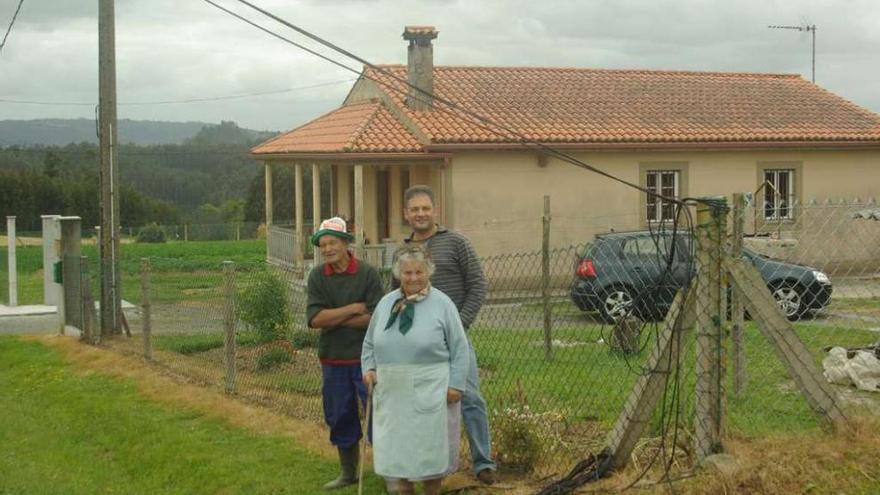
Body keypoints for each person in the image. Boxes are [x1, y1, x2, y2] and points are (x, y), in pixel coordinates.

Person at [397, 185, 498, 485]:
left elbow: (478, 286)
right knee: (423, 403)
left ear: (435, 211)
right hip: (418, 345)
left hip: (456, 341)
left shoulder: (456, 243)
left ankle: (483, 463)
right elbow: (397, 295)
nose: (420, 214)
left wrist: (460, 326)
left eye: (425, 208)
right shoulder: (402, 252)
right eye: (414, 209)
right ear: (406, 214)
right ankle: (427, 460)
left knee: (470, 398)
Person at [362, 245, 470, 495]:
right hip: (391, 391)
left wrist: (456, 384)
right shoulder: (386, 303)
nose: (412, 278)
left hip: (431, 389)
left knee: (429, 452)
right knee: (397, 451)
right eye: (407, 272)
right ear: (399, 273)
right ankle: (404, 491)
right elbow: (369, 343)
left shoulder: (443, 304)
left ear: (428, 272)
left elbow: (459, 348)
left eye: (418, 272)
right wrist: (369, 368)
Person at [306, 216, 385, 490]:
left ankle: (390, 471)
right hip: (333, 360)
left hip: (367, 361)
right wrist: (354, 308)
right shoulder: (317, 276)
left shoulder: (367, 274)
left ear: (345, 244)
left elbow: (377, 318)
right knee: (339, 415)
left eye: (332, 243)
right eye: (322, 245)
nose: (327, 249)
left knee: (379, 414)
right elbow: (316, 320)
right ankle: (348, 472)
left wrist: (333, 319)